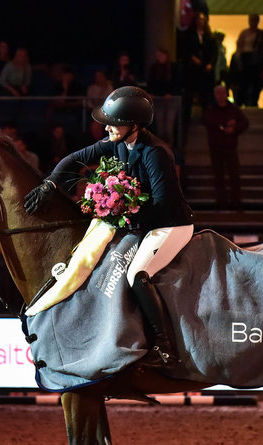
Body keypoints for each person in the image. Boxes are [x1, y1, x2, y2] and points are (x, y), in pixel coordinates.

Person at [24, 86, 193, 367]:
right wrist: (50, 183)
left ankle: (166, 348)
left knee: (137, 273)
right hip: (140, 222)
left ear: (134, 126)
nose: (107, 127)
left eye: (114, 123)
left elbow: (162, 203)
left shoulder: (156, 153)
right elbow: (73, 159)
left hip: (169, 226)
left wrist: (124, 215)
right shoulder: (116, 142)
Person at [204, 85, 249, 209]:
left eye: (222, 93)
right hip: (216, 147)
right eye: (218, 93)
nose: (220, 96)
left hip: (230, 147)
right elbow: (209, 122)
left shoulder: (233, 109)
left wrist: (234, 129)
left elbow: (245, 123)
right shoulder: (211, 109)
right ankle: (221, 202)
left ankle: (236, 202)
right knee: (219, 176)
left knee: (234, 175)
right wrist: (225, 126)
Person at [147, 48, 179, 145]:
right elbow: (150, 82)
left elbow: (177, 82)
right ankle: (161, 147)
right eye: (158, 55)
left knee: (169, 125)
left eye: (161, 55)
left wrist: (171, 93)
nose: (159, 57)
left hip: (171, 100)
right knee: (160, 125)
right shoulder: (154, 68)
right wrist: (151, 93)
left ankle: (170, 147)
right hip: (158, 99)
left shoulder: (173, 67)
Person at [235, 14, 263, 107]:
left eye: (255, 20)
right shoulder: (244, 33)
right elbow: (239, 47)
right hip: (245, 59)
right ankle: (242, 101)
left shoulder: (260, 34)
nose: (253, 23)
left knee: (256, 83)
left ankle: (253, 102)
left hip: (256, 61)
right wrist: (239, 62)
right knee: (244, 83)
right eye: (251, 20)